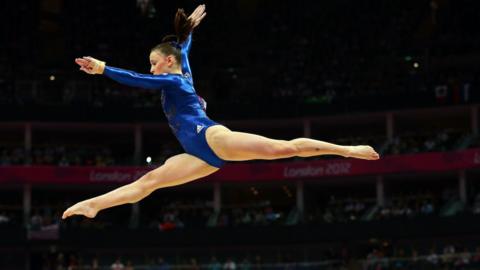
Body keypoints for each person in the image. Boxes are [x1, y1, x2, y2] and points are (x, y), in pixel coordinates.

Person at [62, 5, 379, 219]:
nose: (151, 68)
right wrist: (187, 32)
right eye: (150, 64)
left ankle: (347, 149)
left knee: (283, 149)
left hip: (211, 138)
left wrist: (103, 68)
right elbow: (183, 50)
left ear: (166, 63)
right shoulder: (179, 71)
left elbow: (138, 79)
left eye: (153, 62)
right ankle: (93, 205)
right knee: (148, 183)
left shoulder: (171, 81)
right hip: (197, 155)